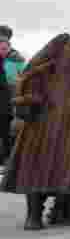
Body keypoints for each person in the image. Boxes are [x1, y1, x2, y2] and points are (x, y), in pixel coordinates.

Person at [2, 7, 70, 230]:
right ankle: (34, 216)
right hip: (49, 117)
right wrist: (31, 99)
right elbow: (32, 69)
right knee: (39, 164)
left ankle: (62, 211)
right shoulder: (64, 43)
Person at [1, 26, 27, 165]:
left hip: (12, 97)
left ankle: (9, 160)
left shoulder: (16, 58)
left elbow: (23, 77)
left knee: (10, 130)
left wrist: (19, 82)